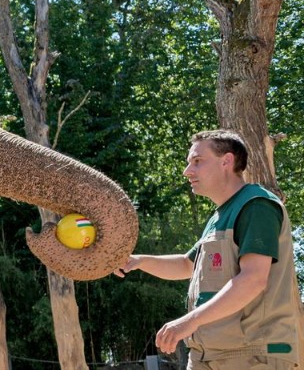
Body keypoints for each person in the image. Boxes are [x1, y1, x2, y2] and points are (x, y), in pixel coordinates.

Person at [115, 129, 303, 369]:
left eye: (197, 161)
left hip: (252, 355)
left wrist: (189, 322)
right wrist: (138, 261)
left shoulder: (257, 205)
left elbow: (254, 278)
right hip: (210, 356)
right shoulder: (219, 216)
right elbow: (187, 264)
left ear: (226, 161)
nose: (187, 171)